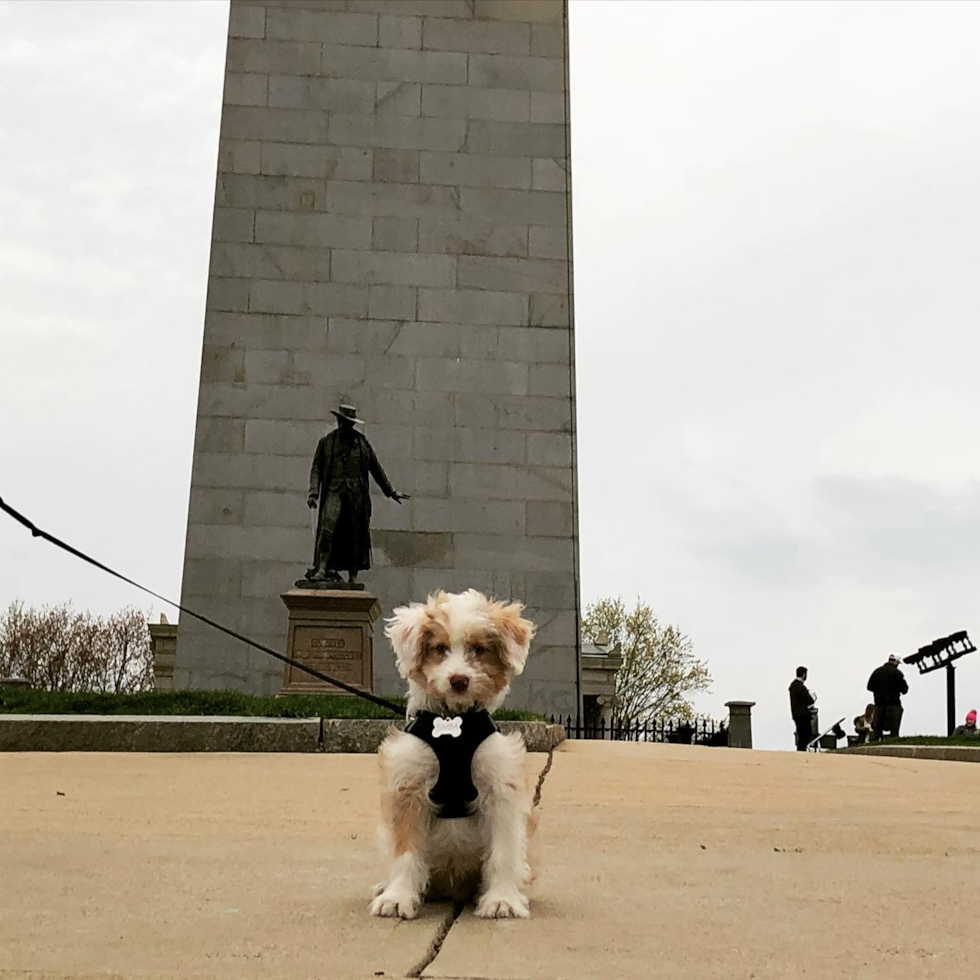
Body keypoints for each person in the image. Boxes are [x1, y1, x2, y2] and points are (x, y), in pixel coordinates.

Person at [306, 404, 409, 585]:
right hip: (334, 490)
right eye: (343, 422)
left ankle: (353, 575)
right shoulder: (327, 442)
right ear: (338, 421)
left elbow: (376, 469)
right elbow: (316, 468)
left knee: (354, 535)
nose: (345, 425)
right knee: (327, 529)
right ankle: (322, 568)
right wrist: (313, 493)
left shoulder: (362, 444)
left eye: (348, 423)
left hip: (356, 495)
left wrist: (390, 491)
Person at [867, 654, 908, 741]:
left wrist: (879, 691)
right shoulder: (897, 673)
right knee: (894, 729)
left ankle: (874, 743)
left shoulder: (877, 672)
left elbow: (869, 687)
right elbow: (904, 690)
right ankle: (893, 742)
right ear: (896, 662)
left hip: (879, 704)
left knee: (877, 729)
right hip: (893, 704)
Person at [789, 666, 816, 751]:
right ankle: (801, 750)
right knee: (806, 733)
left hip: (796, 714)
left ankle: (801, 750)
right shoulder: (800, 687)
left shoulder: (793, 686)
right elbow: (809, 700)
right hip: (803, 714)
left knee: (801, 733)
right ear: (804, 674)